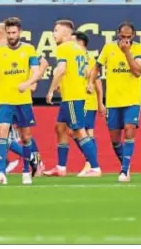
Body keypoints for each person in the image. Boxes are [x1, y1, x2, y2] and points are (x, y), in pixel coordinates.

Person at [0, 22, 46, 180]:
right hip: (3, 100)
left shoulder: (28, 49)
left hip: (22, 100)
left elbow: (41, 65)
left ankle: (29, 165)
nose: (11, 36)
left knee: (25, 136)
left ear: (18, 32)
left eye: (13, 32)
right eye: (9, 33)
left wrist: (30, 83)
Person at [89, 21, 141, 183]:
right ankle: (125, 164)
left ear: (133, 36)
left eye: (129, 37)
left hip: (132, 99)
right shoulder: (108, 48)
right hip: (113, 100)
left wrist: (127, 52)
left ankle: (124, 169)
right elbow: (97, 66)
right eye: (122, 37)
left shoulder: (138, 49)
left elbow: (137, 71)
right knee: (114, 138)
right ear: (117, 34)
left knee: (129, 129)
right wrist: (90, 82)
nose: (125, 40)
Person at [44, 20, 101, 178]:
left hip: (72, 96)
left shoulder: (63, 48)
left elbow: (60, 69)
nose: (53, 34)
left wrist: (50, 90)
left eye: (56, 30)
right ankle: (61, 167)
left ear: (65, 33)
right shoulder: (80, 50)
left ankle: (94, 167)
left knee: (79, 131)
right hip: (73, 94)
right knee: (60, 127)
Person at [71, 31, 105, 174]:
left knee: (80, 132)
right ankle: (91, 164)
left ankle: (90, 163)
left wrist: (100, 103)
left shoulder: (89, 60)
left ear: (80, 43)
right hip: (81, 100)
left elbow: (97, 82)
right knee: (86, 133)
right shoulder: (77, 58)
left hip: (86, 101)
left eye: (72, 41)